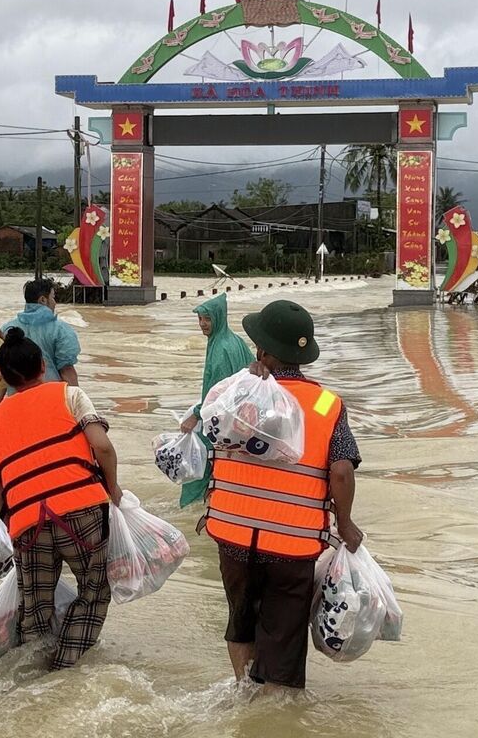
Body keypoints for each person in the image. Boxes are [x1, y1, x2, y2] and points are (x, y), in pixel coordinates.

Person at [202, 299, 362, 692]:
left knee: (241, 620)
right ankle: (275, 714)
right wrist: (346, 524)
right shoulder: (328, 403)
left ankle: (244, 692)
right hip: (292, 543)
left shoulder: (236, 393)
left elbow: (208, 437)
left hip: (232, 532)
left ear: (262, 351)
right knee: (283, 639)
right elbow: (340, 471)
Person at [0, 327, 123, 671]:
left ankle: (35, 674)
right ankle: (67, 662)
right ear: (43, 365)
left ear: (4, 377)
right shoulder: (69, 395)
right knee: (93, 590)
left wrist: (9, 524)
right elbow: (101, 446)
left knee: (35, 607)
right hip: (82, 511)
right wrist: (114, 488)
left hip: (28, 523)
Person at [177, 293, 255, 508]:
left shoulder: (220, 350)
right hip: (238, 421)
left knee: (197, 469)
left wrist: (195, 414)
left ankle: (193, 512)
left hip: (219, 421)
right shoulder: (233, 340)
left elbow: (218, 394)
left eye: (207, 319)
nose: (202, 324)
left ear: (219, 318)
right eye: (200, 319)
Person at [1, 278, 80, 390]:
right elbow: (67, 371)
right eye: (53, 297)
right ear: (43, 300)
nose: (55, 302)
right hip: (50, 397)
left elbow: (2, 376)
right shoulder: (60, 330)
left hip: (17, 400)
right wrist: (77, 403)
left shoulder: (8, 329)